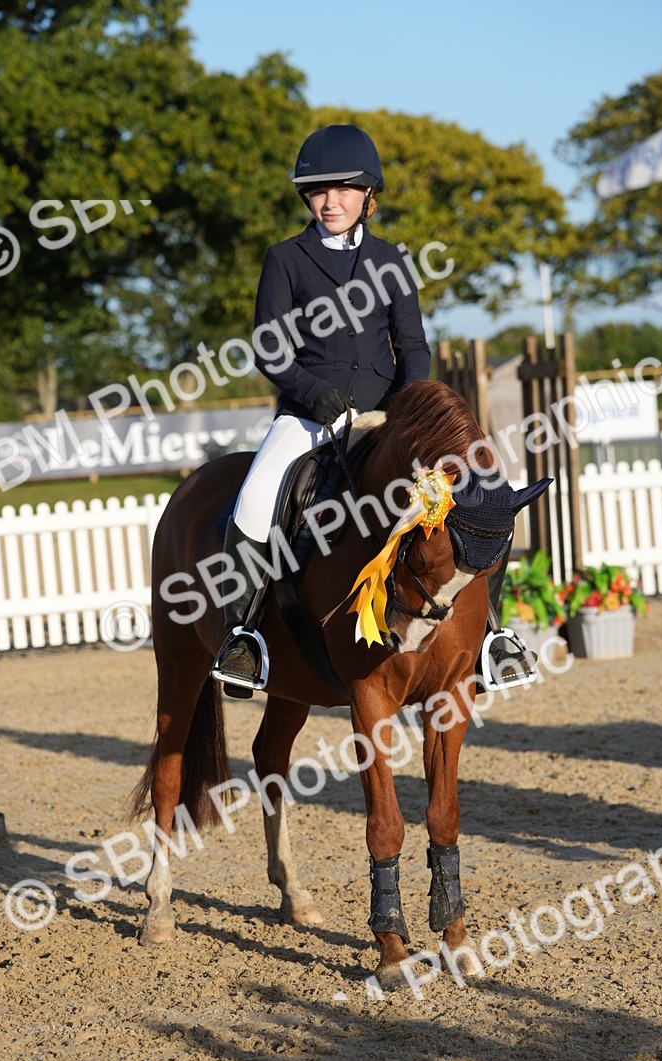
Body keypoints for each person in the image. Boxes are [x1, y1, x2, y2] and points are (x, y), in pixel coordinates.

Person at [212, 124, 431, 696]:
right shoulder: (285, 259)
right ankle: (245, 638)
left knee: (465, 495)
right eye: (318, 191)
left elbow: (413, 347)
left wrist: (410, 410)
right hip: (309, 417)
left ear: (367, 195)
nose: (330, 202)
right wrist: (316, 396)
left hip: (385, 417)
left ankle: (487, 635)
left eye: (343, 190)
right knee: (256, 502)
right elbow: (269, 347)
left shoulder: (392, 260)